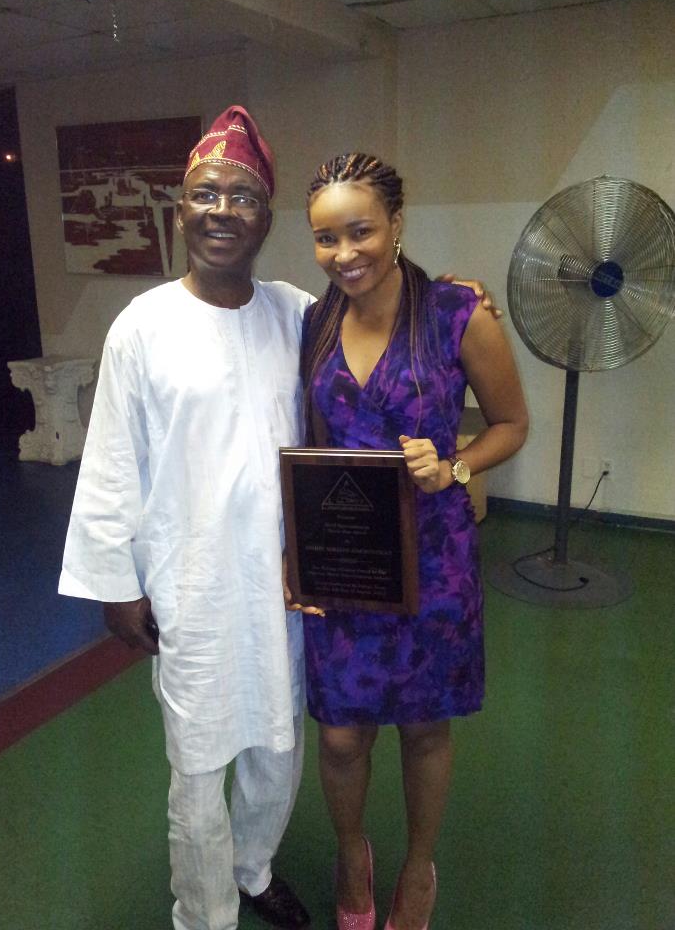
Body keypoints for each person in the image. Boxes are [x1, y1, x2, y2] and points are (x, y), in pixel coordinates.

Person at [59, 107, 313, 930]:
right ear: (179, 210)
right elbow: (110, 462)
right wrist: (115, 583)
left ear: (265, 218)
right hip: (190, 583)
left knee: (278, 740)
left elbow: (378, 337)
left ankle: (253, 868)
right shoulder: (142, 326)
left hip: (284, 581)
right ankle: (204, 913)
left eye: (243, 197)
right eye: (205, 194)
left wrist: (453, 307)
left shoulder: (297, 314)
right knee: (198, 764)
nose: (221, 211)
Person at [297, 153, 529, 930]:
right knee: (340, 734)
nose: (344, 253)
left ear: (396, 224)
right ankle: (351, 851)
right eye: (325, 238)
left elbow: (510, 424)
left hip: (433, 556)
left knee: (425, 726)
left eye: (360, 231)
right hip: (345, 555)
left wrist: (454, 465)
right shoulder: (315, 323)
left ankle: (419, 864)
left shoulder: (458, 314)